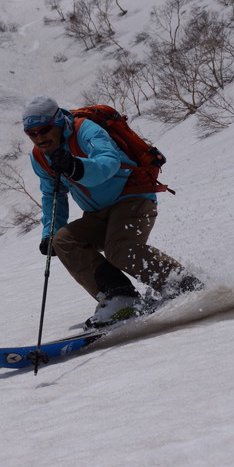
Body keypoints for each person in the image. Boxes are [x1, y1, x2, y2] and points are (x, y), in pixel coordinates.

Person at [22, 95, 203, 327]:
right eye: (32, 134)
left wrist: (76, 166)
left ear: (57, 122)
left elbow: (109, 162)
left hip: (133, 197)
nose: (39, 138)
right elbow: (53, 194)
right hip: (98, 212)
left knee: (119, 250)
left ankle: (182, 284)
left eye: (44, 129)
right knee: (63, 241)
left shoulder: (85, 130)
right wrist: (50, 231)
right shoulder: (39, 157)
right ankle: (120, 298)